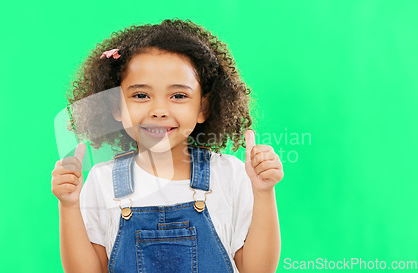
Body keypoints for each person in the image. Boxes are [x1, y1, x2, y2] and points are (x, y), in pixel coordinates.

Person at [51, 18, 284, 273]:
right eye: (141, 95)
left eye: (178, 95)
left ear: (203, 107)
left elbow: (258, 270)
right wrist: (69, 205)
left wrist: (263, 192)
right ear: (117, 107)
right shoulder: (102, 180)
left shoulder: (230, 174)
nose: (159, 110)